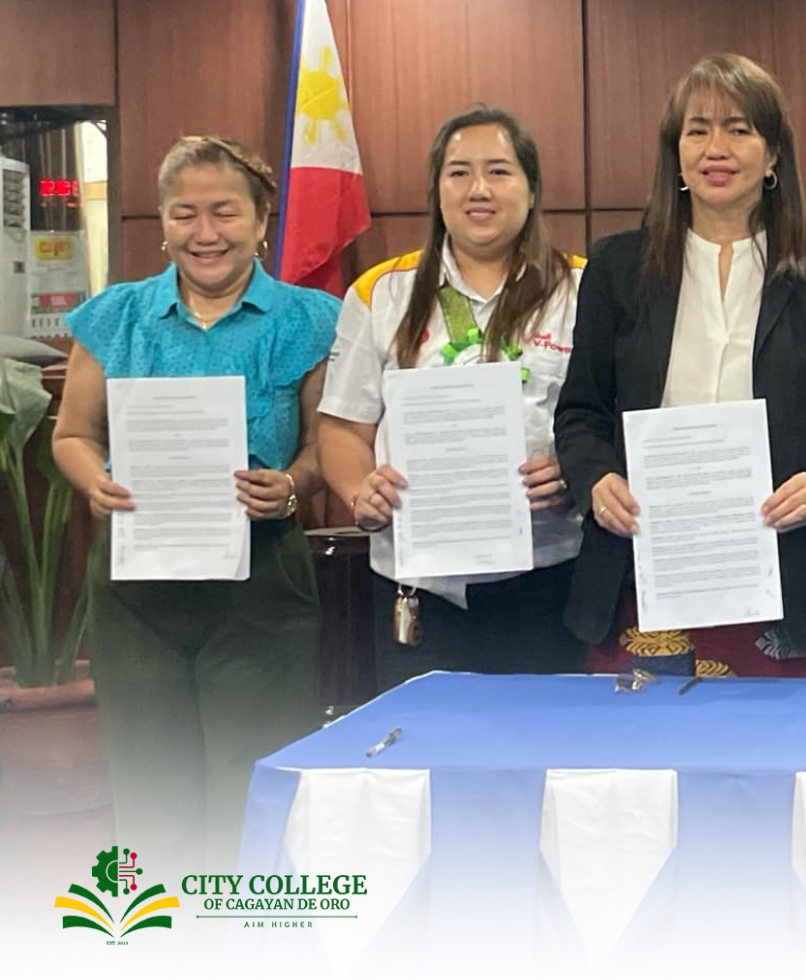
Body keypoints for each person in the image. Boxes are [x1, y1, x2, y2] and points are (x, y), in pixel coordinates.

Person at [52, 136, 339, 868]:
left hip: (262, 588)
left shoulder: (312, 319)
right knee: (153, 793)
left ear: (262, 217)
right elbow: (73, 434)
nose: (205, 233)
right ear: (162, 221)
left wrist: (294, 484)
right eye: (185, 214)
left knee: (256, 790)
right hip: (137, 587)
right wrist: (93, 479)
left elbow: (320, 446)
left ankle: (252, 955)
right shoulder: (116, 315)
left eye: (224, 213)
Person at [555, 53, 806, 677]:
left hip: (784, 576)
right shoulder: (618, 268)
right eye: (698, 129)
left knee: (780, 767)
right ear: (675, 153)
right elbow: (581, 413)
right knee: (643, 768)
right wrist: (596, 479)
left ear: (773, 155)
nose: (717, 147)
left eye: (739, 129)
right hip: (642, 571)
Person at [320, 106, 587, 691]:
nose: (479, 190)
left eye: (500, 171)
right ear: (437, 190)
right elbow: (342, 428)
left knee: (540, 760)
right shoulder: (381, 293)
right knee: (431, 764)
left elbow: (605, 421)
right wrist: (358, 489)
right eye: (459, 172)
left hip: (547, 576)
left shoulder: (582, 289)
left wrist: (577, 473)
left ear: (533, 188)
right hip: (420, 587)